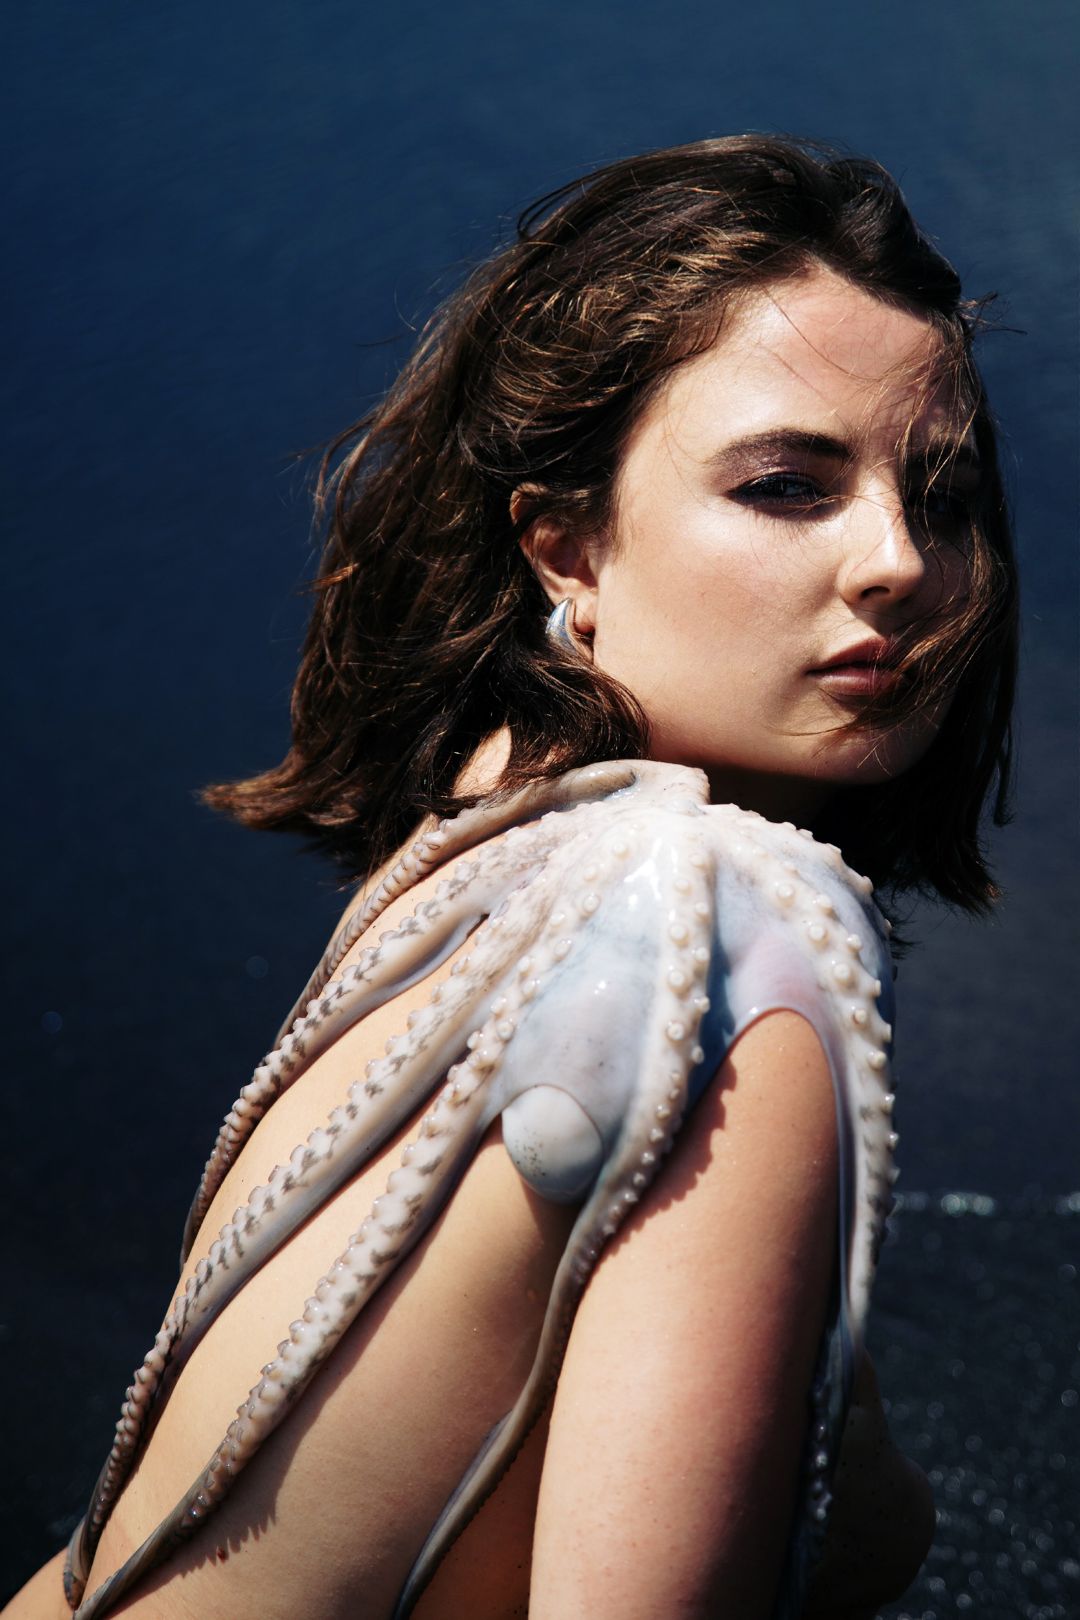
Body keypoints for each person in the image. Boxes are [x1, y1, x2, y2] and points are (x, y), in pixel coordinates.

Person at [6, 133, 1017, 1620]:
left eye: (942, 496)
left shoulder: (479, 854)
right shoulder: (728, 927)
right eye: (788, 485)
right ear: (567, 550)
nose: (900, 562)